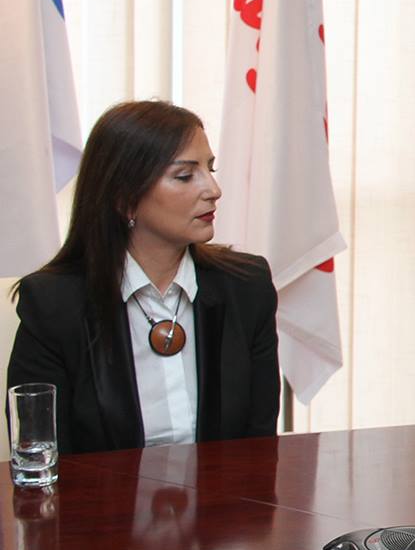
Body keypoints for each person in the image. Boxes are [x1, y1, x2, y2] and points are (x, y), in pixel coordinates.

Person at [8, 101, 280, 454]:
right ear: (125, 199)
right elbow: (40, 452)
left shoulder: (247, 286)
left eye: (210, 169)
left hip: (224, 492)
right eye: (185, 175)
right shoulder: (52, 304)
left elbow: (258, 449)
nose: (213, 189)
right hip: (98, 494)